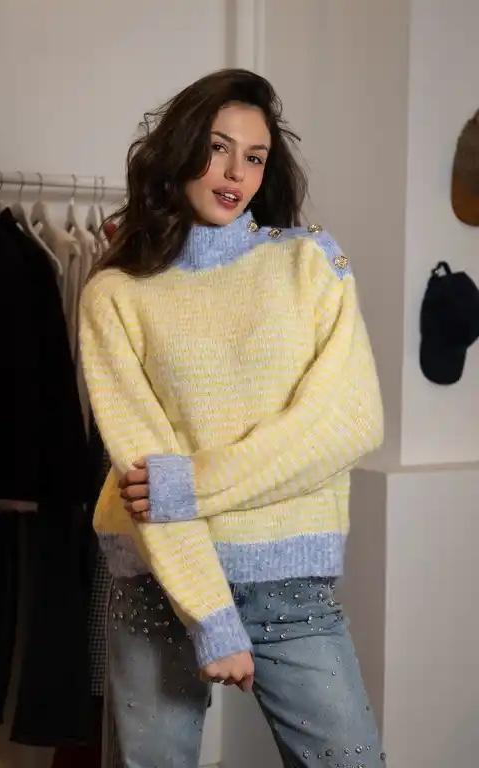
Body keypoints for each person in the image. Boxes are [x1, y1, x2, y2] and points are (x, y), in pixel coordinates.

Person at [79, 68, 386, 768]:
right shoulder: (116, 293)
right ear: (180, 149)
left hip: (290, 584)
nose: (235, 173)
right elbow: (140, 470)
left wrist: (190, 484)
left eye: (255, 156)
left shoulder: (311, 264)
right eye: (217, 148)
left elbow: (352, 421)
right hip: (162, 583)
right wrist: (211, 617)